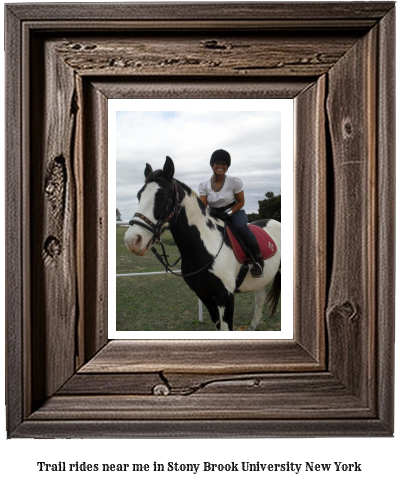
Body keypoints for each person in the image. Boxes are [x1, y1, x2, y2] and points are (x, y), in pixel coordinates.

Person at [198, 149, 264, 277]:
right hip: (214, 214)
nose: (221, 166)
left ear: (227, 166)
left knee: (241, 228)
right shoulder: (204, 184)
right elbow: (203, 205)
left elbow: (240, 202)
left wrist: (228, 213)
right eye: (217, 163)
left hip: (234, 211)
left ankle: (258, 260)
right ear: (212, 164)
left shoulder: (234, 181)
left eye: (224, 164)